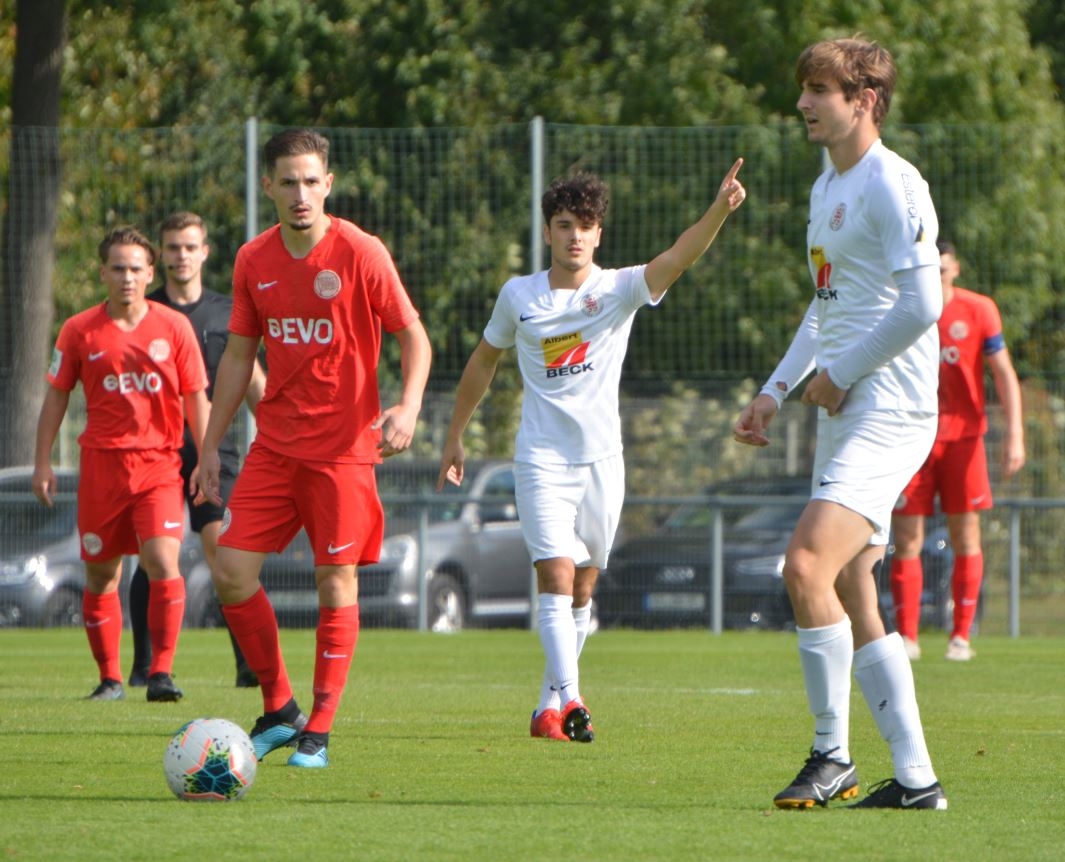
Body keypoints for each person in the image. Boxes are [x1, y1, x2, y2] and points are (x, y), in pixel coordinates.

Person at [437, 160, 747, 743]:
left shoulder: (617, 289)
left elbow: (679, 257)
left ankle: (547, 706)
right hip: (541, 461)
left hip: (603, 462)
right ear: (547, 232)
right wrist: (455, 434)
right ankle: (575, 700)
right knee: (555, 573)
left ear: (598, 233)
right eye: (563, 225)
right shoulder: (519, 296)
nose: (574, 235)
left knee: (582, 587)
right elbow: (484, 360)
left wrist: (718, 209)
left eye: (584, 225)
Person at [733, 37, 948, 810]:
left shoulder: (893, 183)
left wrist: (842, 373)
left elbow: (924, 305)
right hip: (846, 405)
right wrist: (775, 389)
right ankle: (917, 782)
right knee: (853, 583)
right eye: (803, 88)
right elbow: (827, 305)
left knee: (802, 567)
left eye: (818, 90)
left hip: (888, 410)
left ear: (864, 99)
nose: (801, 103)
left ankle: (831, 756)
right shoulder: (828, 182)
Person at [198, 127, 432, 769]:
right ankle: (280, 708)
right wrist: (211, 445)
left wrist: (408, 406)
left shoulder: (360, 251)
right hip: (275, 446)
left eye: (311, 181)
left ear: (328, 184)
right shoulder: (253, 259)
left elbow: (414, 337)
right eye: (288, 182)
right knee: (230, 570)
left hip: (343, 450)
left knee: (336, 580)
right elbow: (239, 356)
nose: (300, 194)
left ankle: (319, 730)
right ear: (268, 186)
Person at [32, 226, 209, 703]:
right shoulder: (79, 330)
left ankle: (161, 673)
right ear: (102, 273)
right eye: (118, 268)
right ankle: (110, 679)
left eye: (135, 269)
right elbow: (56, 396)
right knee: (101, 575)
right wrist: (42, 462)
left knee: (163, 560)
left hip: (158, 465)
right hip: (102, 469)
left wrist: (206, 456)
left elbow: (196, 398)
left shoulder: (174, 327)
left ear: (150, 273)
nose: (127, 277)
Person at [126, 212, 268, 689]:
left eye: (190, 247)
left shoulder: (229, 312)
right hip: (158, 453)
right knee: (154, 555)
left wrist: (275, 430)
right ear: (160, 255)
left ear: (205, 252)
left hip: (215, 450)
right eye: (172, 247)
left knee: (221, 549)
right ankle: (145, 667)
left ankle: (247, 662)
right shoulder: (143, 310)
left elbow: (252, 377)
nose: (181, 255)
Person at [890, 240, 1025, 662]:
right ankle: (907, 637)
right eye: (930, 269)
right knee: (906, 537)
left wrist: (1015, 434)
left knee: (966, 534)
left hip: (964, 440)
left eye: (943, 269)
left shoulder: (979, 310)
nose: (937, 276)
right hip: (912, 436)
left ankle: (961, 636)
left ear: (956, 270)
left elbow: (1003, 372)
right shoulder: (903, 307)